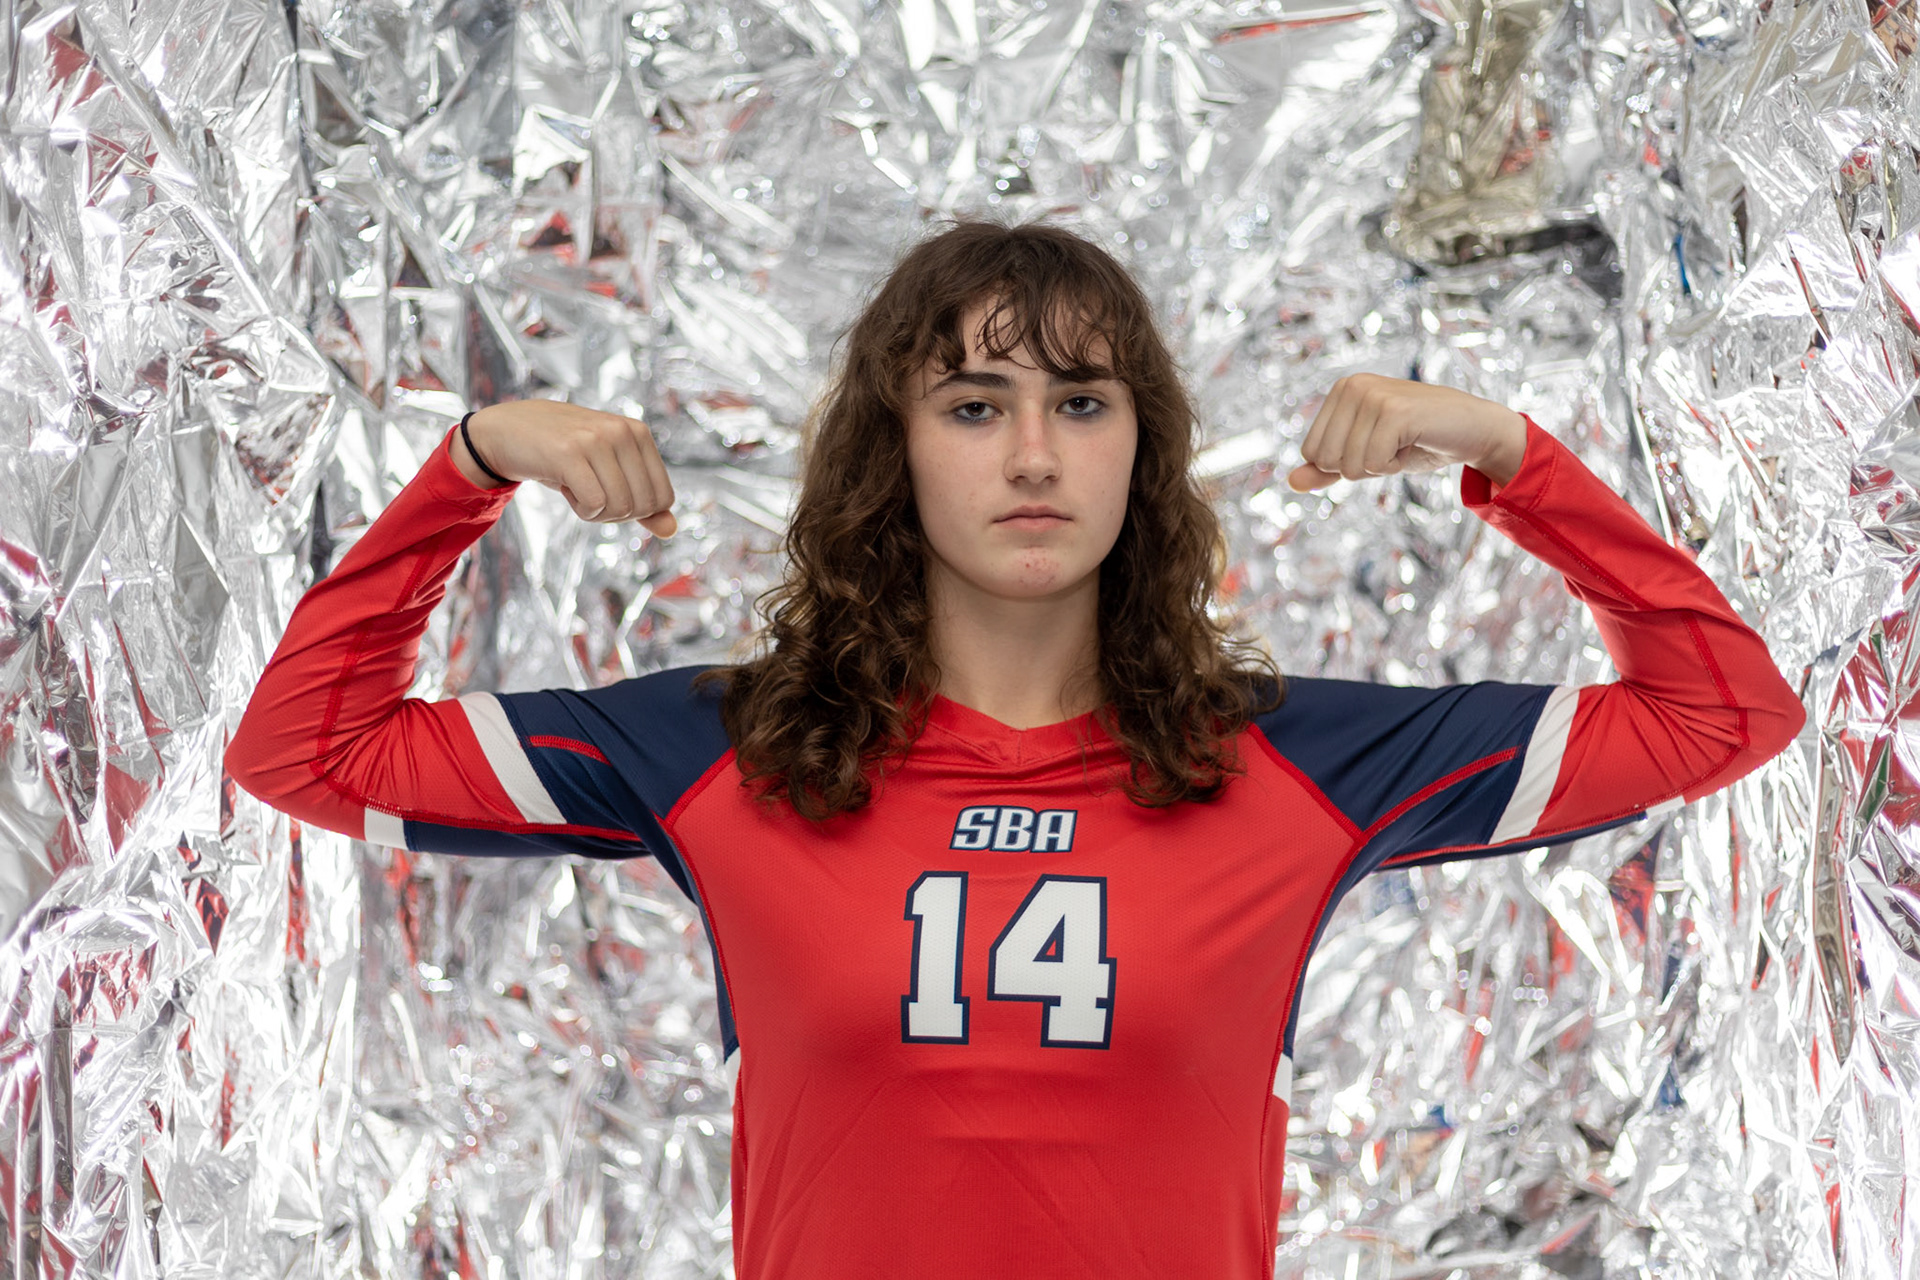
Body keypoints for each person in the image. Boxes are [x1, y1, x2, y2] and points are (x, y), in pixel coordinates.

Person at [225, 218, 1805, 1279]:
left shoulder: (1298, 762)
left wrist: (1513, 457)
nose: (1034, 454)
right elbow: (309, 751)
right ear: (891, 451)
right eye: (973, 406)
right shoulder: (730, 749)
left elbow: (1722, 712)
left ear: (1146, 447)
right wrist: (474, 462)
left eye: (1084, 400)